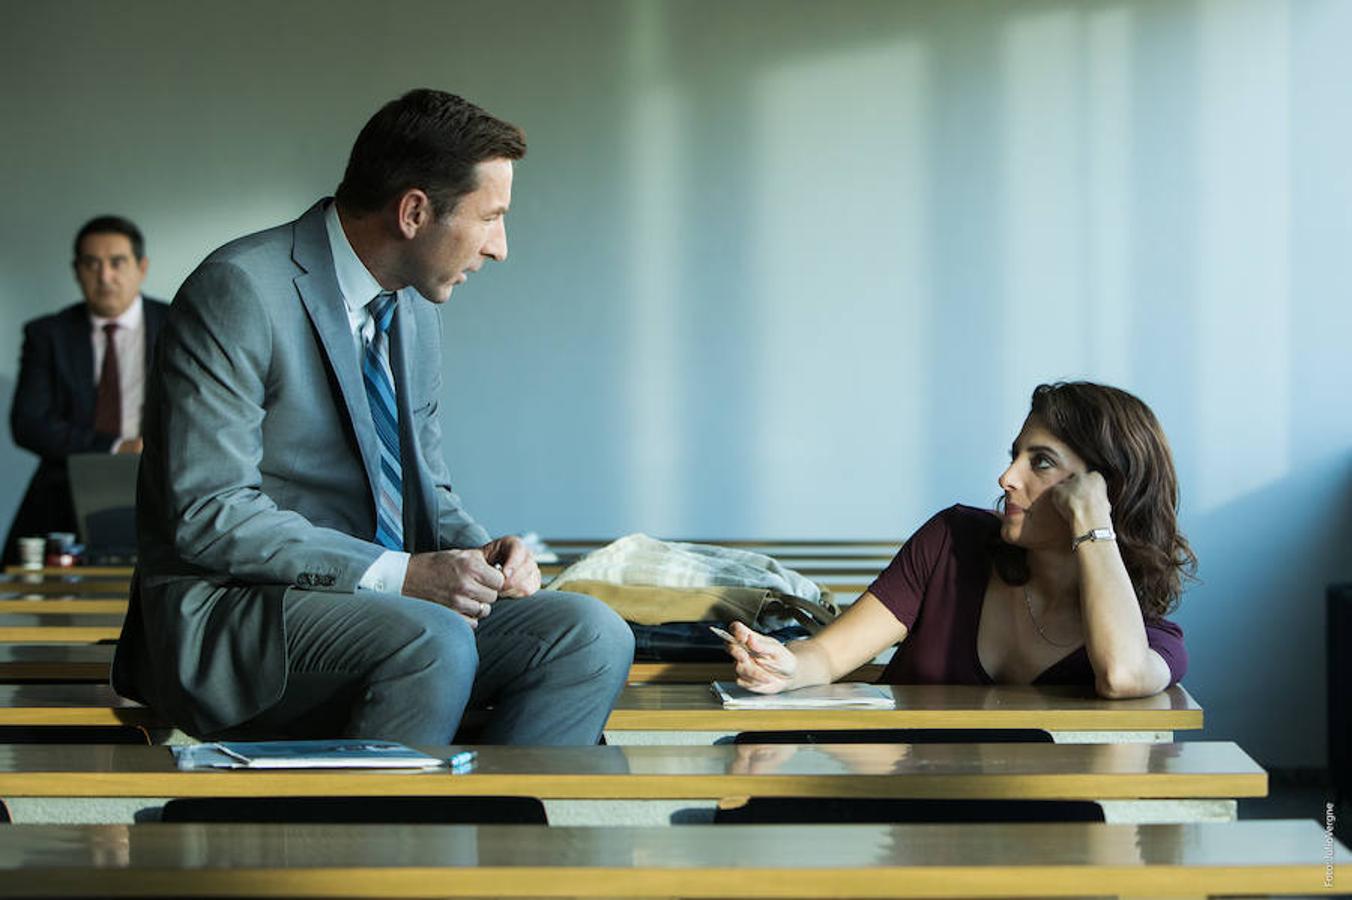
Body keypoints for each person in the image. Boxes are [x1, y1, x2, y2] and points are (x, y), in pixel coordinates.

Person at [112, 89, 634, 744]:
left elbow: (426, 488)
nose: (500, 247)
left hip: (393, 610)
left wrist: (483, 554)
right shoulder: (240, 290)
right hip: (237, 617)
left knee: (589, 634)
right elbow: (210, 514)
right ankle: (385, 840)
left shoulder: (414, 310)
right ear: (415, 211)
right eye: (491, 216)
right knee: (433, 638)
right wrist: (401, 574)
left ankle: (497, 836)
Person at [724, 382, 1195, 700]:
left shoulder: (1149, 641)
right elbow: (827, 656)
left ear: (1100, 487)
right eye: (1015, 456)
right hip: (894, 813)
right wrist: (786, 667)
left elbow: (1122, 676)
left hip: (1032, 842)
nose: (1007, 477)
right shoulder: (952, 542)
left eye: (1042, 463)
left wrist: (1094, 519)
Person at [4, 216, 170, 564]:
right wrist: (114, 447)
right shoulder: (47, 334)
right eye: (91, 264)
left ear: (141, 267)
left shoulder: (179, 325)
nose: (104, 276)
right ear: (76, 270)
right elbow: (29, 423)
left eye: (116, 262)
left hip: (162, 488)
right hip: (65, 490)